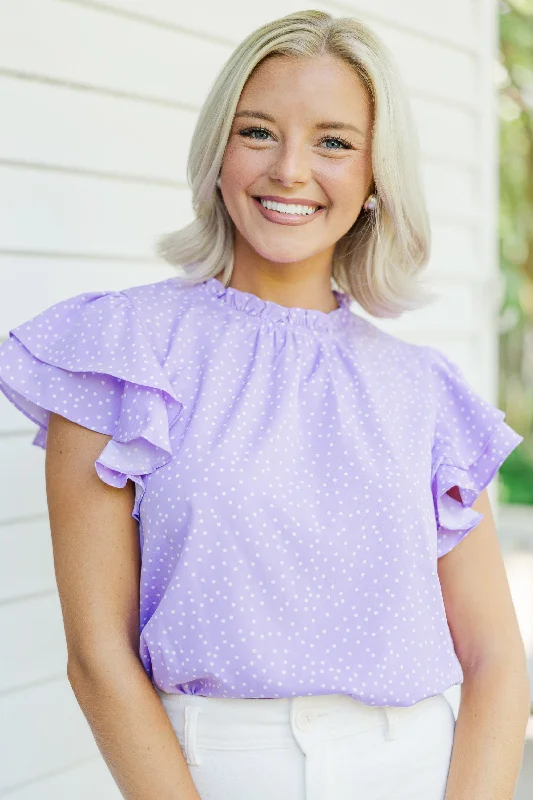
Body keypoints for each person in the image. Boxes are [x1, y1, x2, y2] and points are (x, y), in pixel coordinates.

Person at [0, 9, 530, 800]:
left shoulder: (422, 390)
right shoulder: (121, 350)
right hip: (209, 776)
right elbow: (97, 658)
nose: (288, 169)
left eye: (333, 141)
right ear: (218, 151)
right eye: (257, 132)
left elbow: (494, 659)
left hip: (417, 770)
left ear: (376, 175)